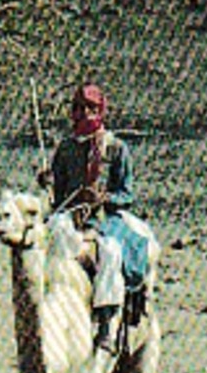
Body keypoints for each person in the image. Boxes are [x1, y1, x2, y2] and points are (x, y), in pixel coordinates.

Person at [39, 82, 136, 351]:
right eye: (79, 109)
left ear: (101, 111)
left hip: (103, 221)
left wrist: (104, 198)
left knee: (111, 251)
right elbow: (58, 196)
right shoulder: (66, 149)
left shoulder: (116, 149)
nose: (84, 114)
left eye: (91, 109)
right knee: (50, 236)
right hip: (69, 218)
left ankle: (106, 325)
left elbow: (127, 194)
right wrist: (48, 181)